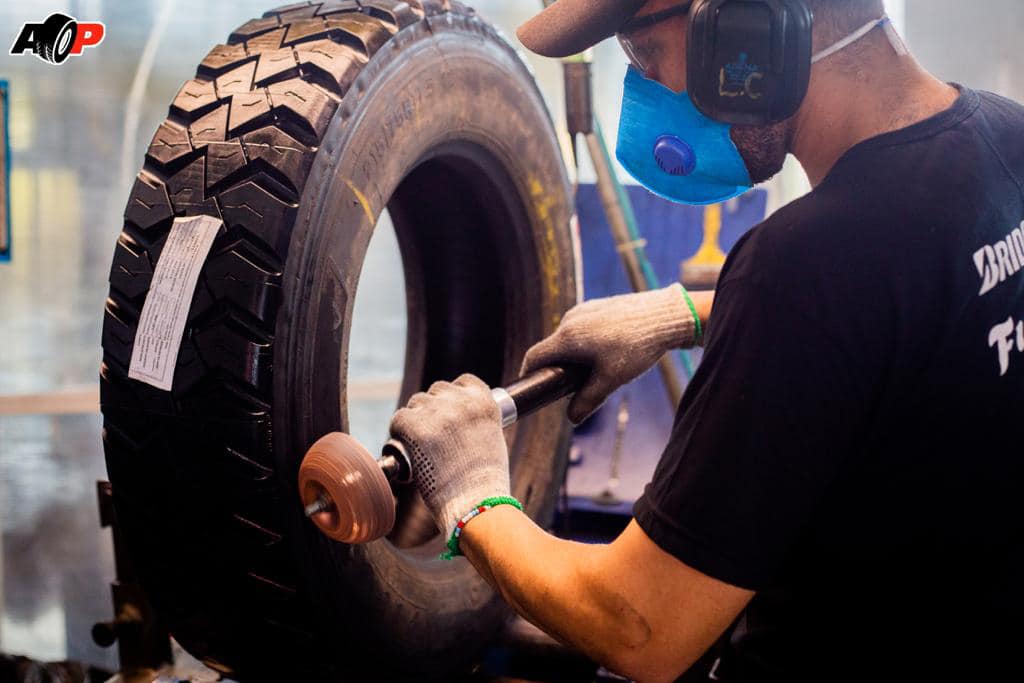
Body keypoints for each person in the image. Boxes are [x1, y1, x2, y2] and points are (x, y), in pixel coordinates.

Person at [387, 0, 1024, 680]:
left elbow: (639, 625)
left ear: (745, 25)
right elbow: (905, 310)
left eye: (643, 54)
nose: (644, 90)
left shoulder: (805, 263)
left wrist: (472, 496)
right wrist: (687, 314)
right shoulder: (1002, 138)